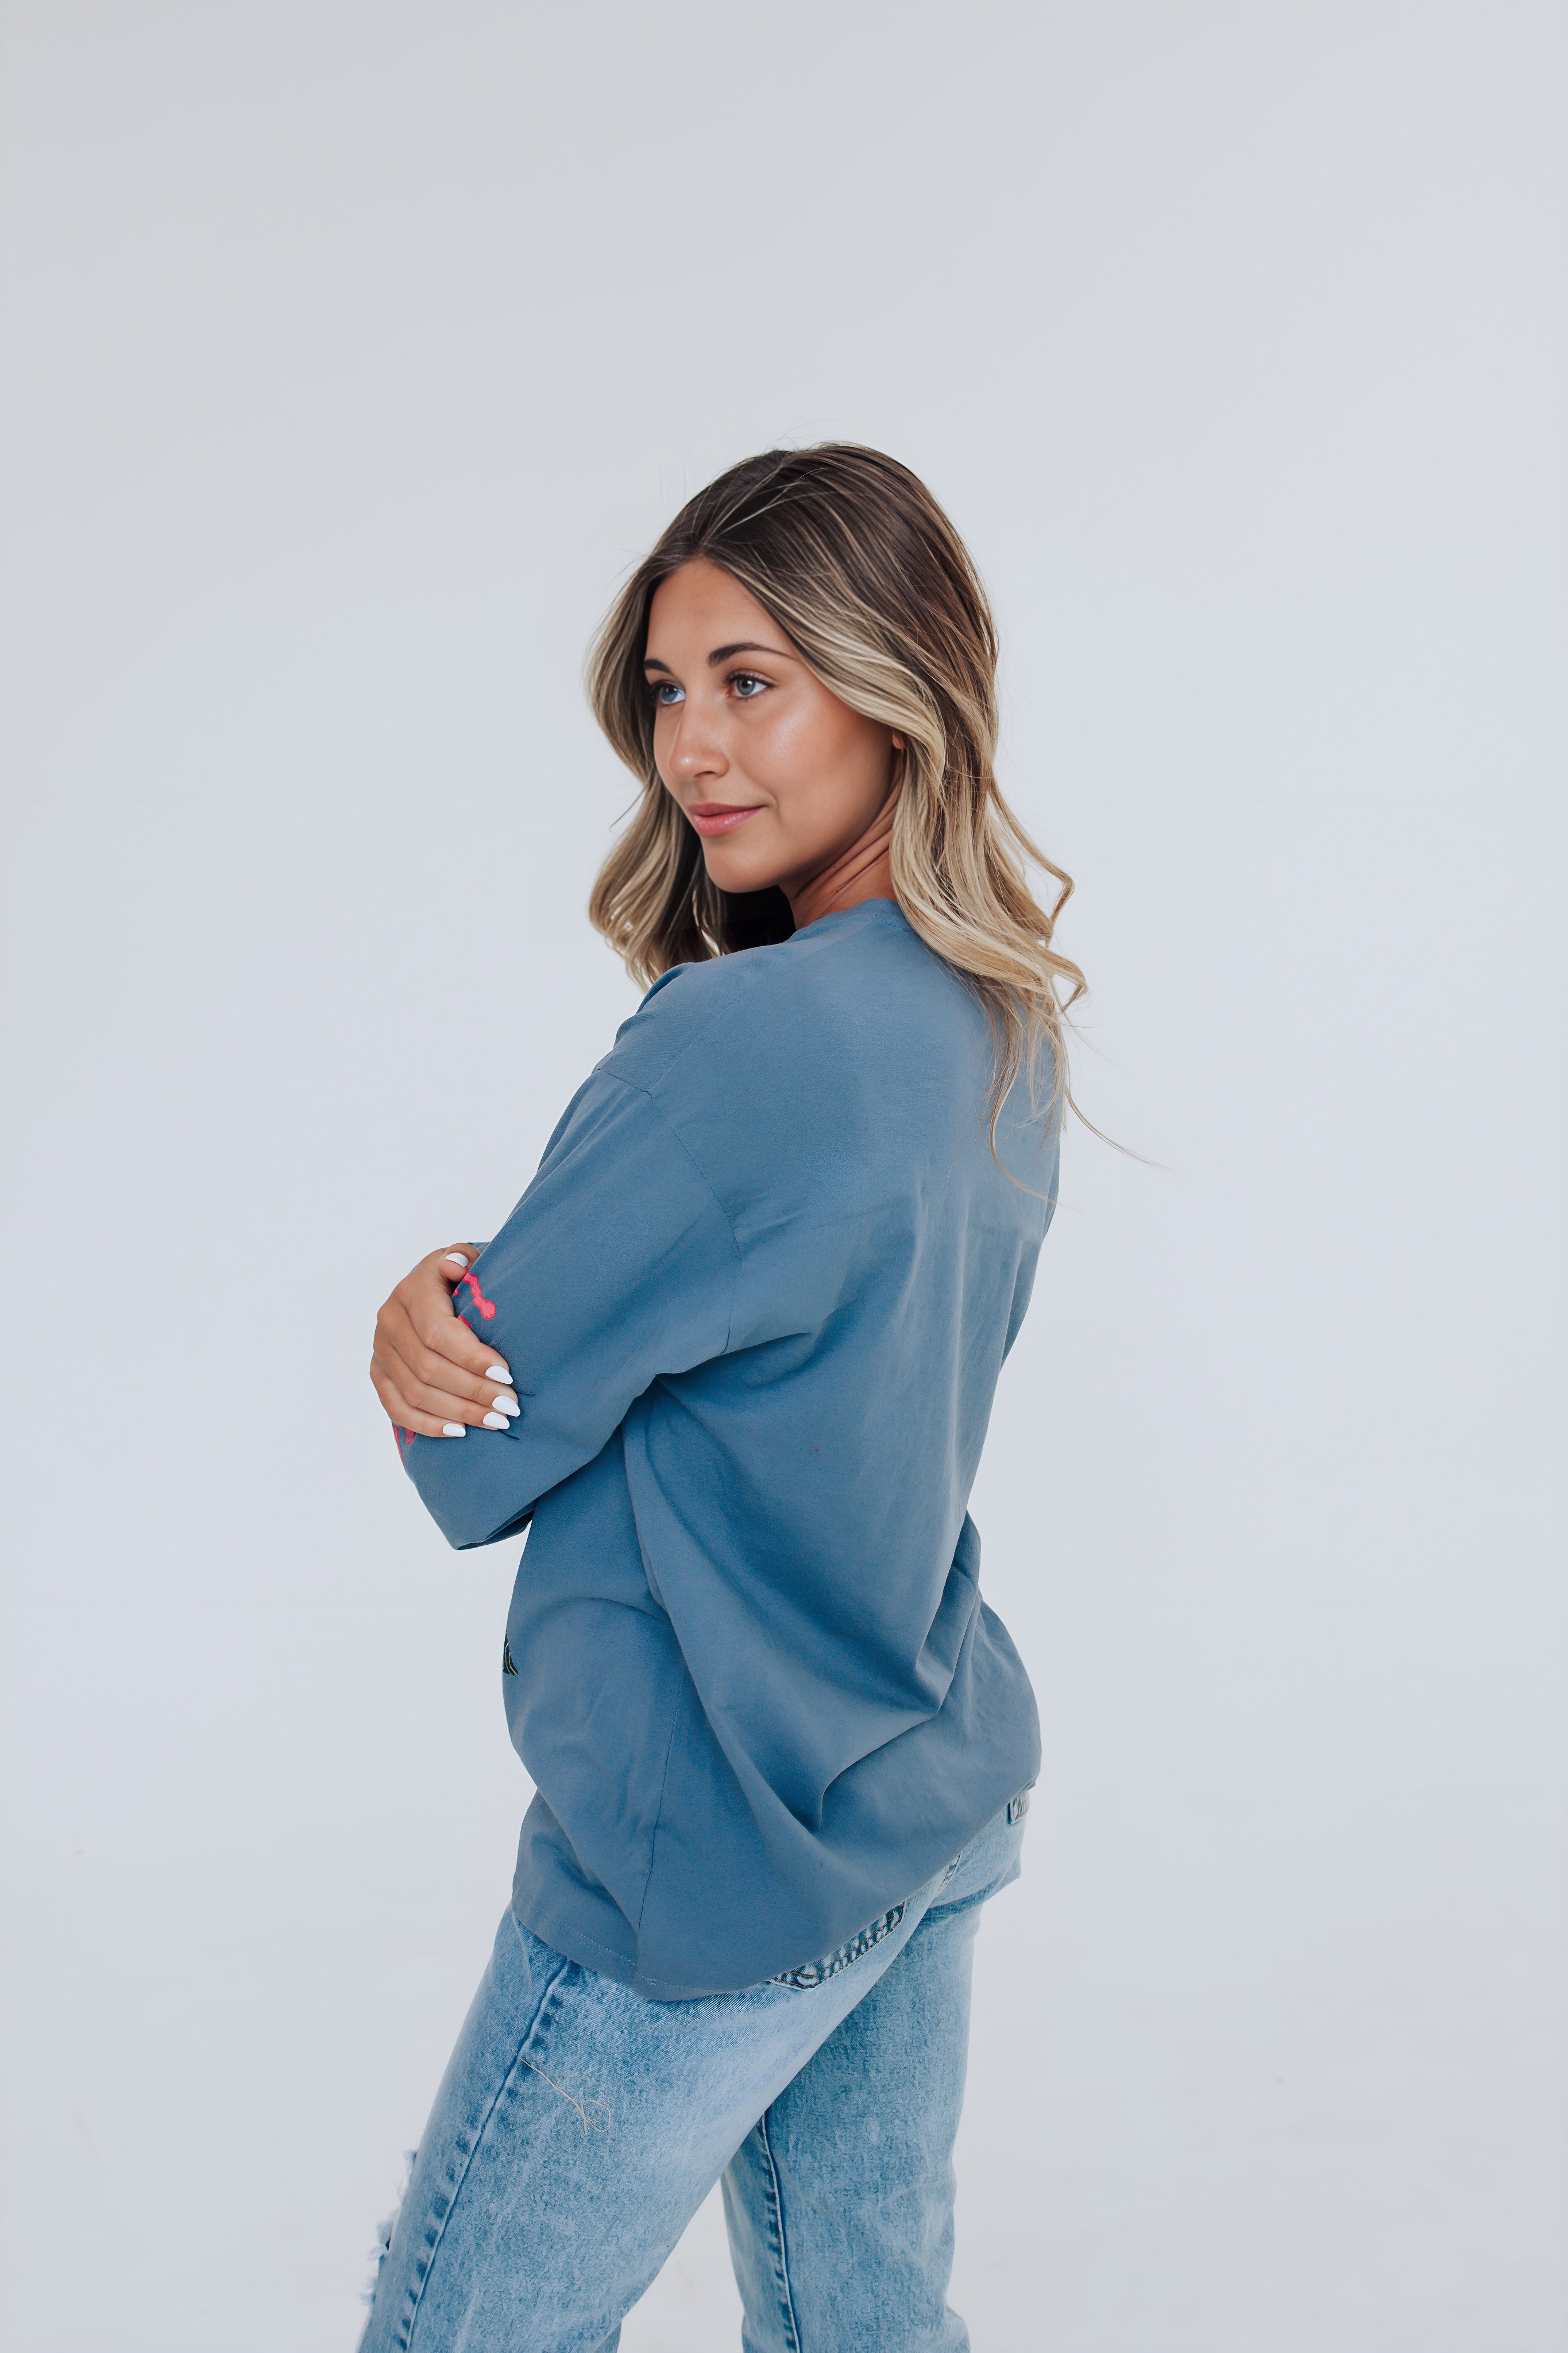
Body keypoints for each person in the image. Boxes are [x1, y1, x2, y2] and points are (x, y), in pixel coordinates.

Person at [360, 443, 1085, 2353]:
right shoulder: (995, 1014)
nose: (692, 746)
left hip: (707, 1848)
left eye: (752, 682)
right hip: (916, 1777)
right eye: (669, 690)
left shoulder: (734, 1045)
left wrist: (414, 1316)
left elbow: (482, 1437)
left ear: (895, 684)